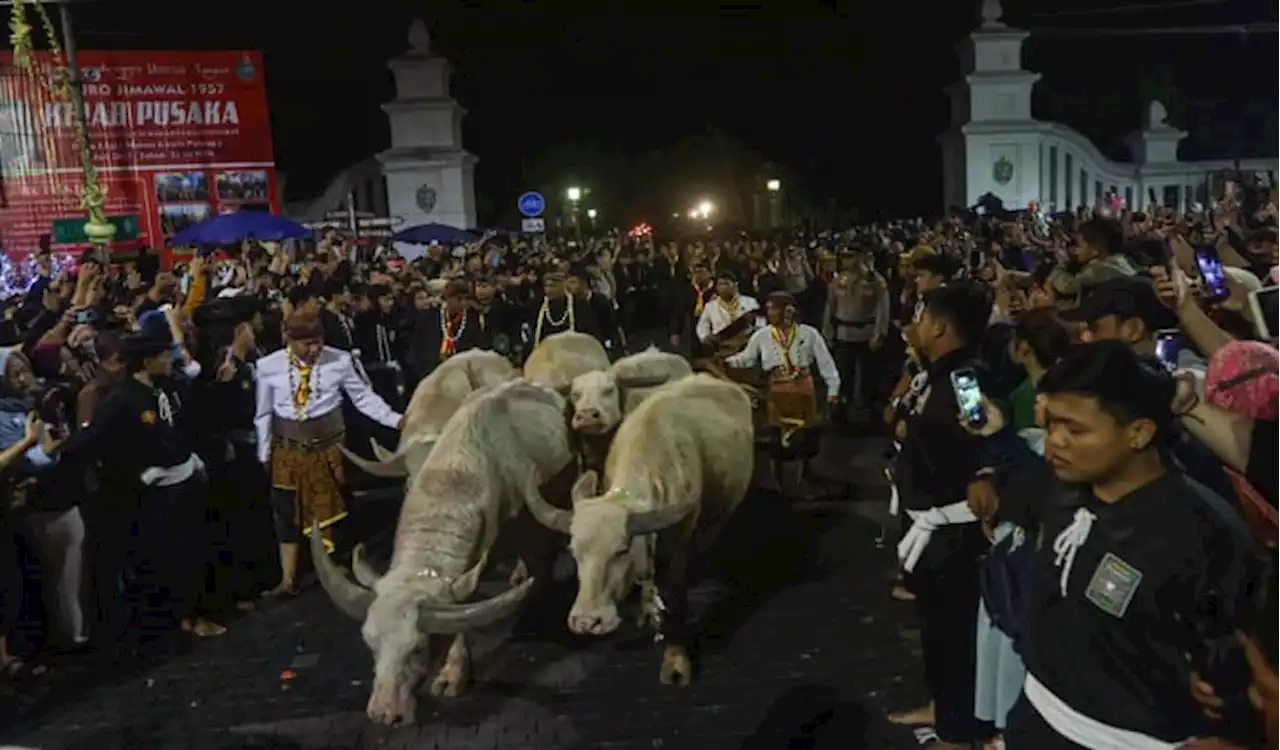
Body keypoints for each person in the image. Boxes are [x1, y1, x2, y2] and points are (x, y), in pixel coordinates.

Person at [969, 342, 1264, 749]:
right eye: (1051, 423)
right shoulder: (1060, 486)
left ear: (1138, 432)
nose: (1055, 441)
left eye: (1075, 430)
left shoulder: (1202, 533)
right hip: (1037, 719)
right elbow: (1017, 493)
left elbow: (1243, 659)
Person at [887, 280, 997, 749]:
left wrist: (986, 471)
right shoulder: (932, 372)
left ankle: (958, 732)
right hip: (925, 522)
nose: (913, 324)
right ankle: (943, 707)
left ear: (939, 326)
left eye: (921, 315)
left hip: (952, 533)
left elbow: (982, 435)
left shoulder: (965, 378)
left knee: (953, 632)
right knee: (935, 628)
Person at [252, 310, 403, 596]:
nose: (314, 350)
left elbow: (363, 398)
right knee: (286, 513)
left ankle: (332, 570)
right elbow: (263, 414)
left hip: (328, 447)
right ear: (289, 340)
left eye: (318, 342)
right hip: (286, 450)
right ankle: (287, 580)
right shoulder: (267, 366)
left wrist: (395, 419)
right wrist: (264, 453)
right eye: (306, 344)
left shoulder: (341, 361)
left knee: (332, 510)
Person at [725, 290, 839, 498]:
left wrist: (833, 390)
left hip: (804, 391)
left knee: (805, 440)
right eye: (768, 308)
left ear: (788, 311)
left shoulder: (809, 334)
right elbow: (747, 358)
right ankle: (777, 483)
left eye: (773, 308)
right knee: (777, 439)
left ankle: (804, 479)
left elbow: (826, 363)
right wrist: (724, 362)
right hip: (777, 392)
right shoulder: (763, 335)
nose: (769, 312)